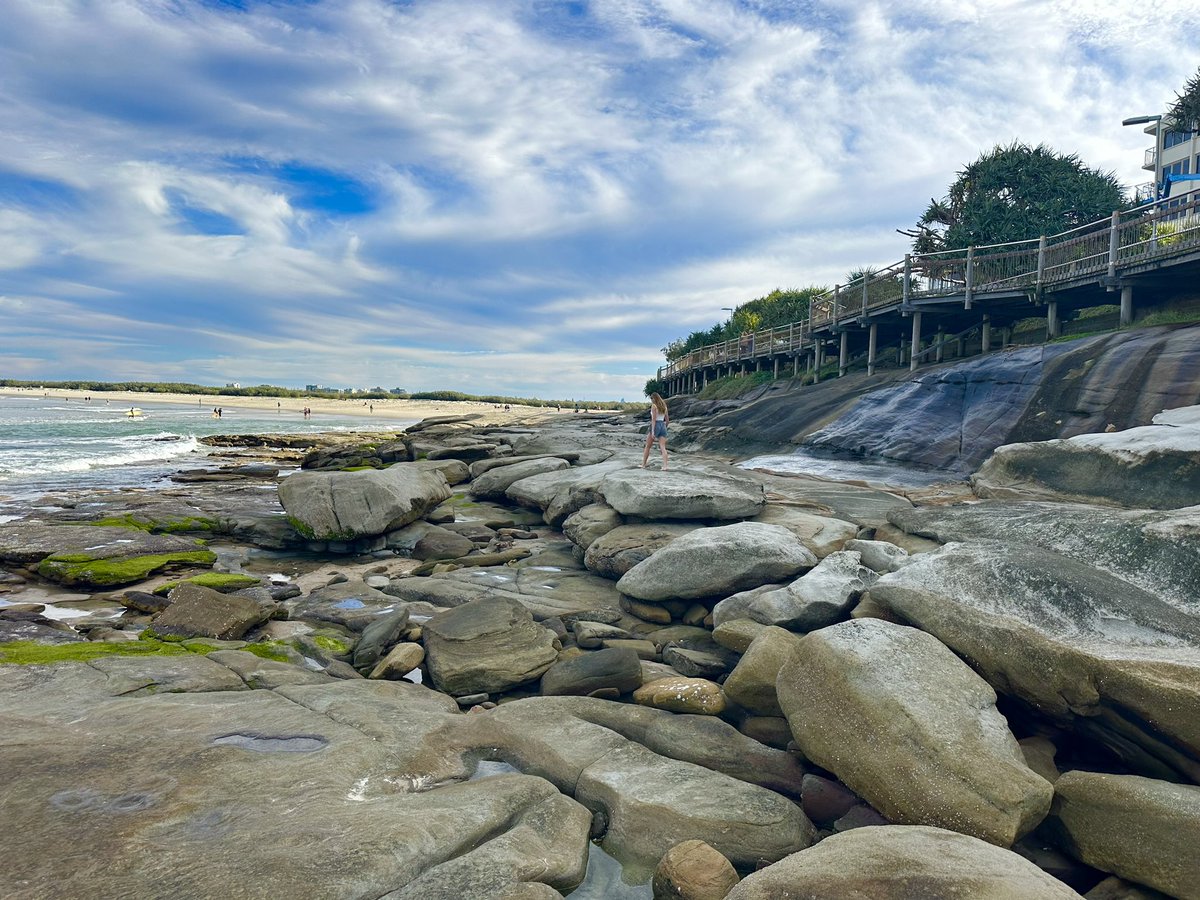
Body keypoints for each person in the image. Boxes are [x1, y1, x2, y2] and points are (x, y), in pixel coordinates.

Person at [641, 393, 669, 470]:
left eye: (651, 399)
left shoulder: (654, 406)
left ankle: (643, 464)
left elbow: (653, 419)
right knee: (663, 447)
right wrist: (664, 427)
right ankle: (665, 466)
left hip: (656, 424)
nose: (651, 400)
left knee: (648, 446)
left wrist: (653, 431)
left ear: (654, 399)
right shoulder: (664, 406)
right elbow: (667, 420)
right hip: (662, 425)